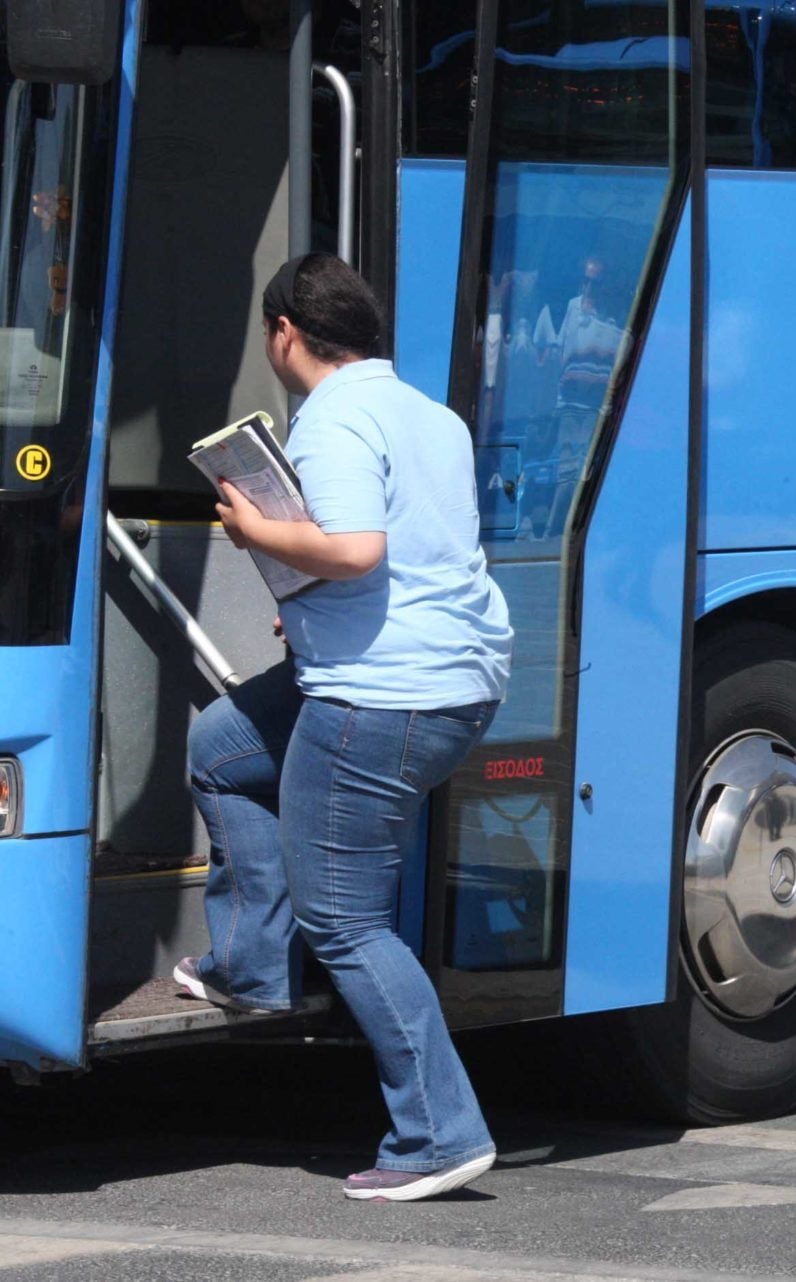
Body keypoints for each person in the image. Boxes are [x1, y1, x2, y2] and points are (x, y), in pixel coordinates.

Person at [172, 253, 513, 1202]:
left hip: (380, 696)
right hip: (451, 680)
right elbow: (413, 551)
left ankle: (441, 1133)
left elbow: (356, 550)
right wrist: (306, 598)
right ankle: (249, 965)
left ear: (286, 332)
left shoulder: (330, 421)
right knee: (222, 750)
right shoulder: (428, 414)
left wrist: (254, 531)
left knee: (346, 918)